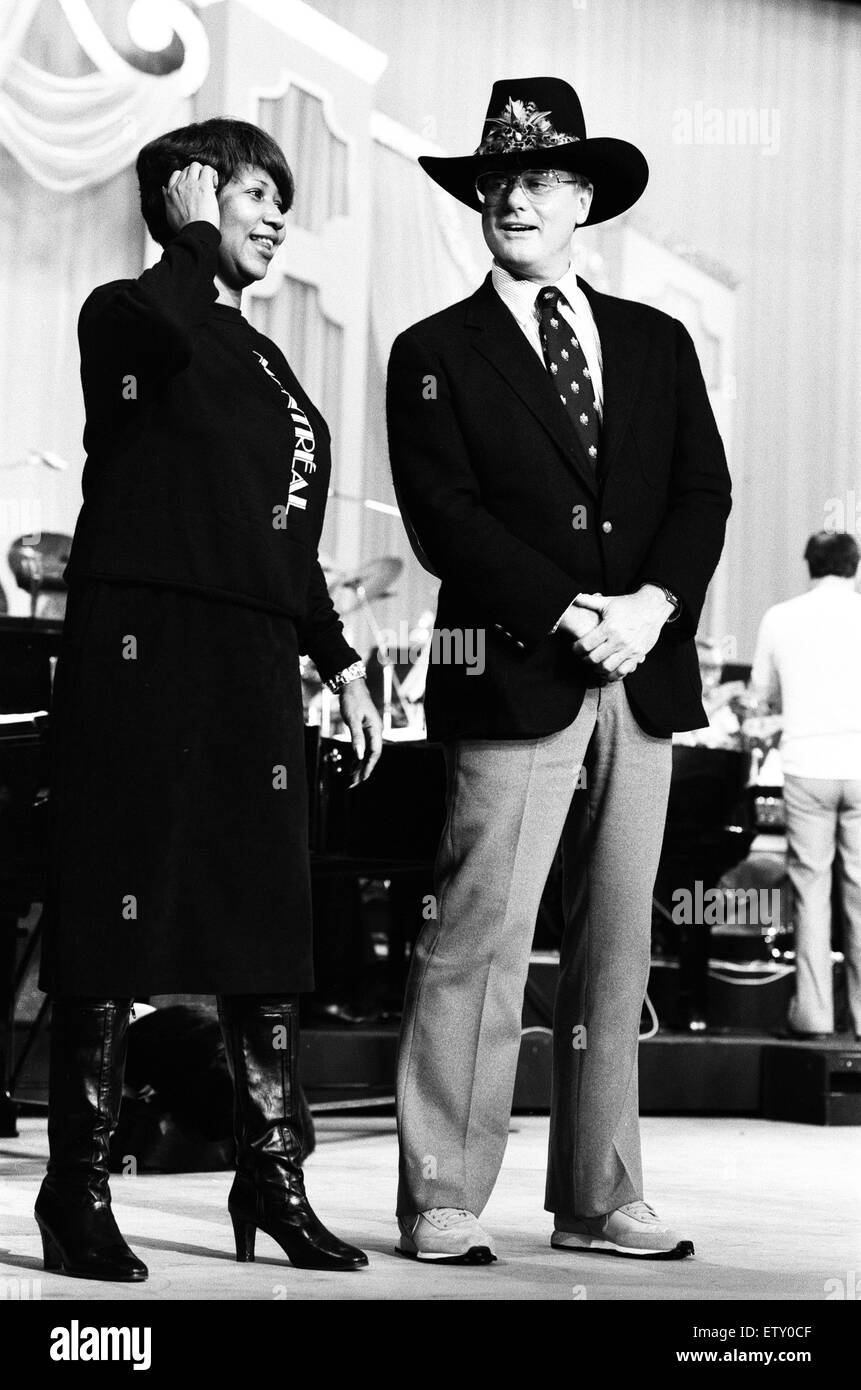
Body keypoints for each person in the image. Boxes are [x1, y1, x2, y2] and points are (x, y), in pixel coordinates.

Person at [386, 77, 731, 1263]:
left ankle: (602, 1192)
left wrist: (652, 604)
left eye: (536, 178)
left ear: (584, 197)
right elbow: (446, 518)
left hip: (642, 677)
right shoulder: (432, 350)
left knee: (615, 947)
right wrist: (573, 608)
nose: (510, 198)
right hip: (514, 675)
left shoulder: (656, 341)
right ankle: (440, 1190)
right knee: (477, 938)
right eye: (494, 182)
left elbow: (703, 492)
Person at [35, 118, 382, 1282]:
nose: (276, 213)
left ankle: (271, 1176)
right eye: (250, 192)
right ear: (188, 197)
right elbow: (151, 337)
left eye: (282, 197)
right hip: (144, 641)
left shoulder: (267, 356)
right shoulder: (132, 314)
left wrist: (335, 654)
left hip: (248, 658)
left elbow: (277, 529)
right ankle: (74, 1190)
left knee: (260, 915)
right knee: (112, 908)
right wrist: (185, 244)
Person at [751, 530, 861, 1040]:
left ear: (809, 565)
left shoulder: (781, 617)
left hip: (806, 765)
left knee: (810, 890)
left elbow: (762, 698)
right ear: (855, 567)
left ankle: (815, 1016)